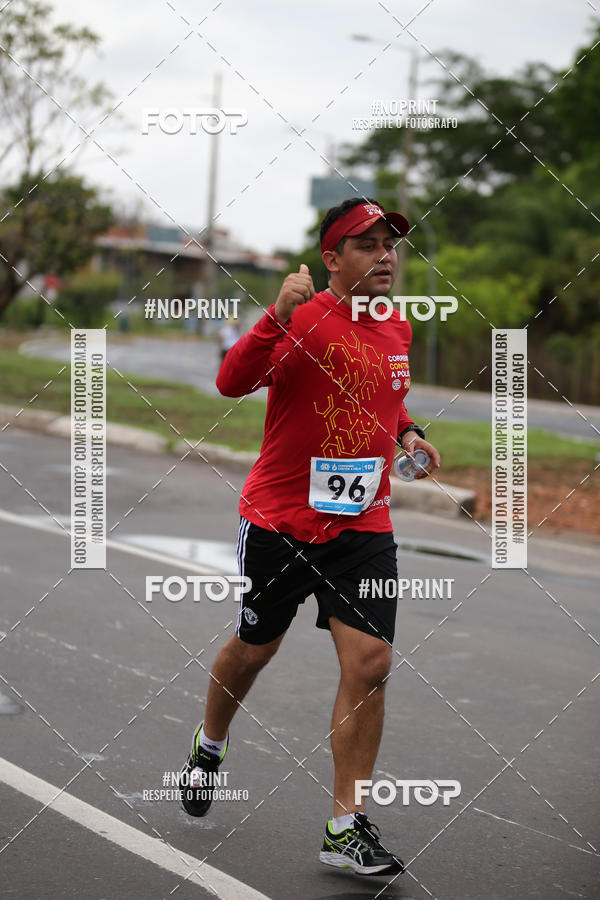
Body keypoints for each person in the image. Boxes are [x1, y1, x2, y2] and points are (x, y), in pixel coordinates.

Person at [179, 197, 441, 877]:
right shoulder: (297, 319)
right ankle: (210, 743)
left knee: (372, 664)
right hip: (280, 522)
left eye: (391, 245)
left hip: (363, 526)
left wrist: (410, 431)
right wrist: (275, 313)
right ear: (331, 258)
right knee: (254, 650)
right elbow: (230, 381)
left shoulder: (396, 327)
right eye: (367, 245)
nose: (386, 256)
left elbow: (382, 394)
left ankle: (344, 826)